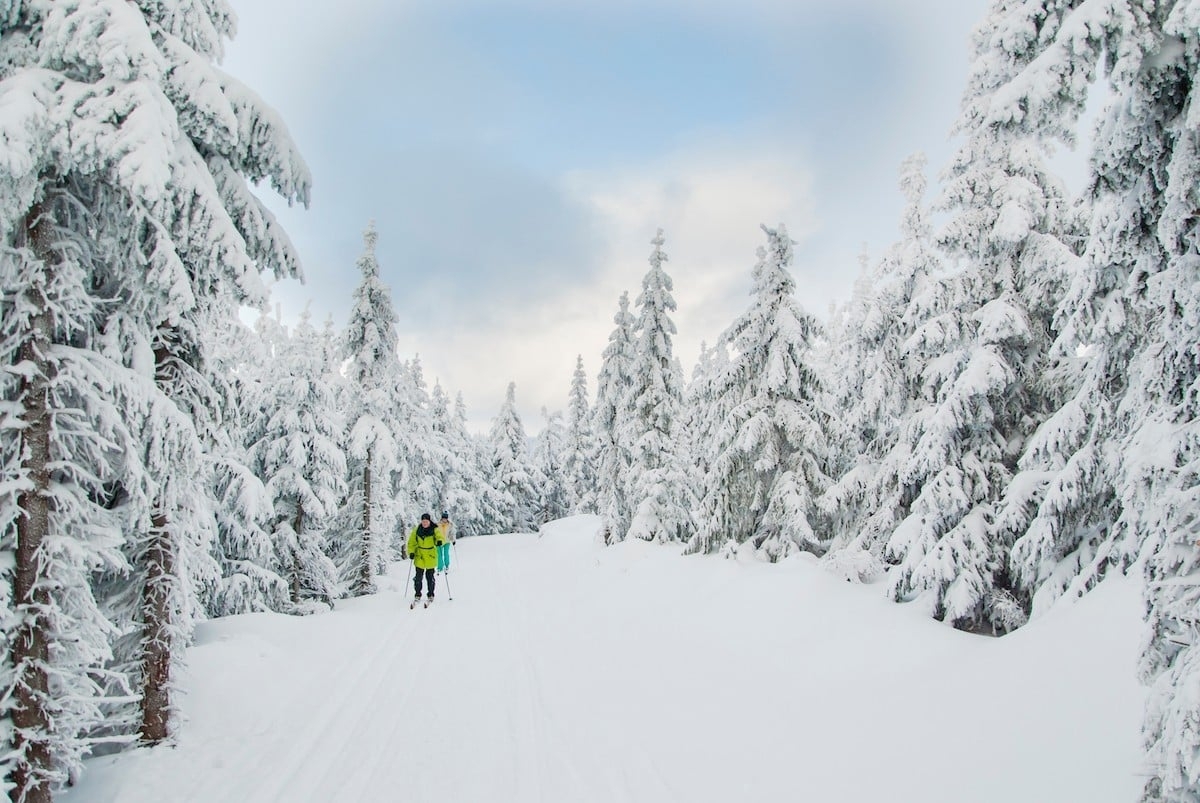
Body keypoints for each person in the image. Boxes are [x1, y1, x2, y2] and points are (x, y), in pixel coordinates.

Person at [407, 513, 447, 604]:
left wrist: (439, 541)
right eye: (423, 521)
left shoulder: (434, 529)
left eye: (426, 521)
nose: (424, 523)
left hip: (430, 555)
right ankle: (417, 594)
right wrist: (411, 552)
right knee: (418, 577)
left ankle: (431, 594)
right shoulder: (417, 530)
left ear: (429, 521)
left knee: (430, 577)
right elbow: (411, 542)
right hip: (420, 555)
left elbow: (439, 537)